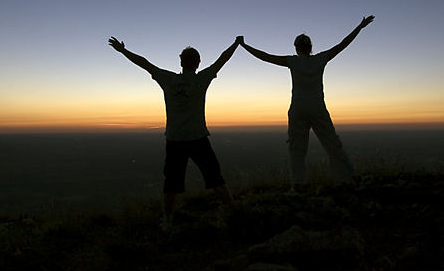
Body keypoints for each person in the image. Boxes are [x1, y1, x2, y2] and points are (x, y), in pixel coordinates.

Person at [108, 35, 243, 233]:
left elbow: (144, 63)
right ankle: (234, 212)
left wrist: (123, 51)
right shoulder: (201, 79)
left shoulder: (168, 79)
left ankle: (168, 220)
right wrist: (236, 44)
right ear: (198, 63)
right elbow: (222, 59)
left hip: (175, 139)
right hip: (198, 138)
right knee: (215, 177)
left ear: (181, 61)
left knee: (171, 182)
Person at [238, 16, 375, 193]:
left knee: (297, 148)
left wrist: (244, 45)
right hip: (318, 107)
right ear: (310, 47)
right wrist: (360, 27)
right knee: (333, 143)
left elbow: (266, 57)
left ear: (296, 48)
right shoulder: (320, 59)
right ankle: (350, 177)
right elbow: (342, 45)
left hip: (298, 109)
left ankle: (298, 185)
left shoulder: (292, 61)